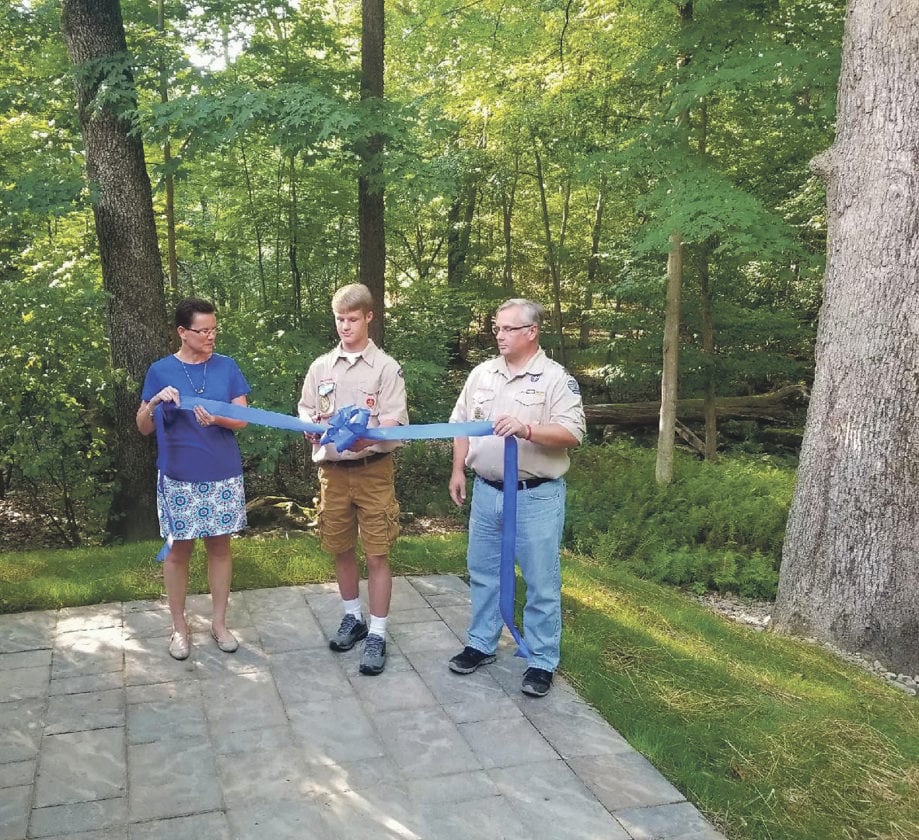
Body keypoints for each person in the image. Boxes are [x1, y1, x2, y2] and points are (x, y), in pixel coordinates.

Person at [448, 298, 585, 697]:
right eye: (497, 328)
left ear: (531, 332)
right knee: (483, 572)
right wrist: (458, 470)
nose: (499, 335)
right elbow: (461, 425)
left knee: (541, 580)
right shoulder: (482, 374)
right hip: (487, 491)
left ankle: (541, 661)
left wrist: (527, 429)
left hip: (534, 496)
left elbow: (572, 433)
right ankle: (481, 643)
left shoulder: (555, 379)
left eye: (508, 328)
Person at [298, 283, 408, 676]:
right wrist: (309, 427)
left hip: (372, 472)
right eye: (340, 319)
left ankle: (377, 633)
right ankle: (353, 617)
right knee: (340, 547)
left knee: (376, 553)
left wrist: (369, 437)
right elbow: (307, 409)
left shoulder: (386, 368)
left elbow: (394, 421)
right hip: (333, 474)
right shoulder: (321, 367)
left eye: (352, 319)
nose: (345, 326)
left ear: (369, 318)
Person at [136, 297, 250, 660]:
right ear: (182, 332)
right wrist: (155, 402)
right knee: (178, 551)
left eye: (214, 329)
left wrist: (217, 418)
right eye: (203, 331)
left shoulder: (227, 367)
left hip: (222, 473)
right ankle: (179, 628)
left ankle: (219, 624)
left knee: (220, 548)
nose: (211, 336)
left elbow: (242, 419)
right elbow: (142, 427)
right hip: (178, 476)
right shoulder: (160, 371)